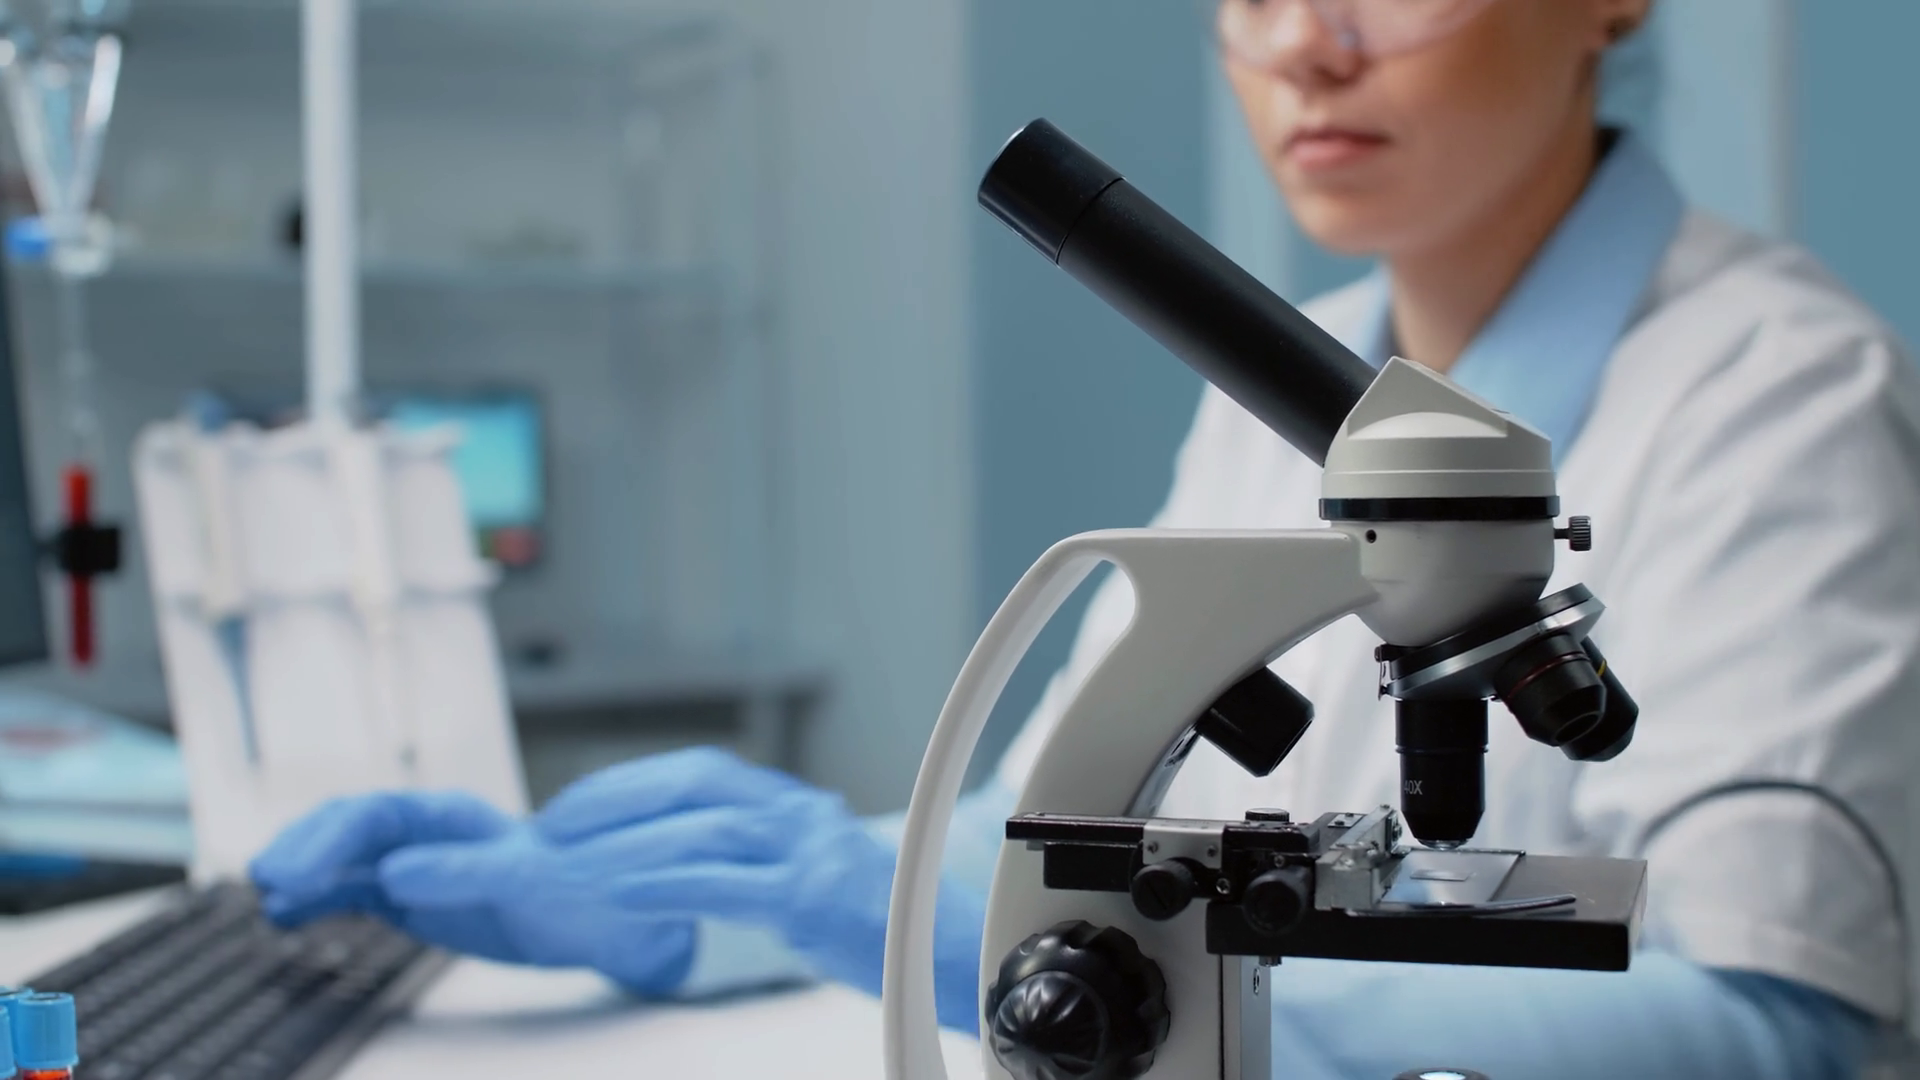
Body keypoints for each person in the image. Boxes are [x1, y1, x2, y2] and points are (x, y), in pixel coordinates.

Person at [250, 0, 1920, 1076]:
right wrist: (713, 910)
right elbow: (1054, 825)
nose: (1307, 45)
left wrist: (1108, 961)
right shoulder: (1298, 378)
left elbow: (1778, 1022)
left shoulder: (1783, 392)